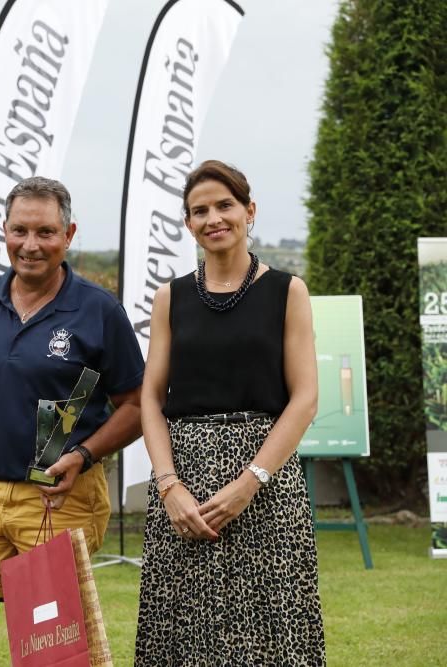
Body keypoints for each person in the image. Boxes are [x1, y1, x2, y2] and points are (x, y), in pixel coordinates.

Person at [0, 176, 145, 666]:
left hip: (58, 499)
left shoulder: (98, 311)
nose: (31, 245)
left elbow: (136, 404)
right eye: (20, 231)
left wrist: (85, 454)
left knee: (53, 648)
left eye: (45, 232)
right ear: (4, 231)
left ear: (68, 235)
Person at [134, 160, 324, 664]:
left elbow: (305, 398)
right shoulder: (169, 298)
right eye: (200, 211)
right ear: (188, 223)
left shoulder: (288, 291)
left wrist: (250, 481)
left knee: (269, 633)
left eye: (225, 205)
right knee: (185, 632)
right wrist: (168, 486)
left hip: (267, 484)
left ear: (249, 211)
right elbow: (150, 399)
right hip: (185, 488)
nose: (213, 218)